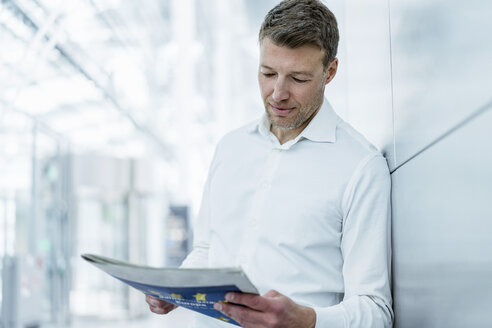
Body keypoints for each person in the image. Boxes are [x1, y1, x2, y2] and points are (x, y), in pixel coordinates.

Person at [146, 0, 393, 327]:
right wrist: (175, 288)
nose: (278, 93)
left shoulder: (361, 167)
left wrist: (305, 319)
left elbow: (376, 310)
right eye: (268, 73)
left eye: (299, 78)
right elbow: (207, 249)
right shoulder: (230, 148)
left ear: (330, 72)